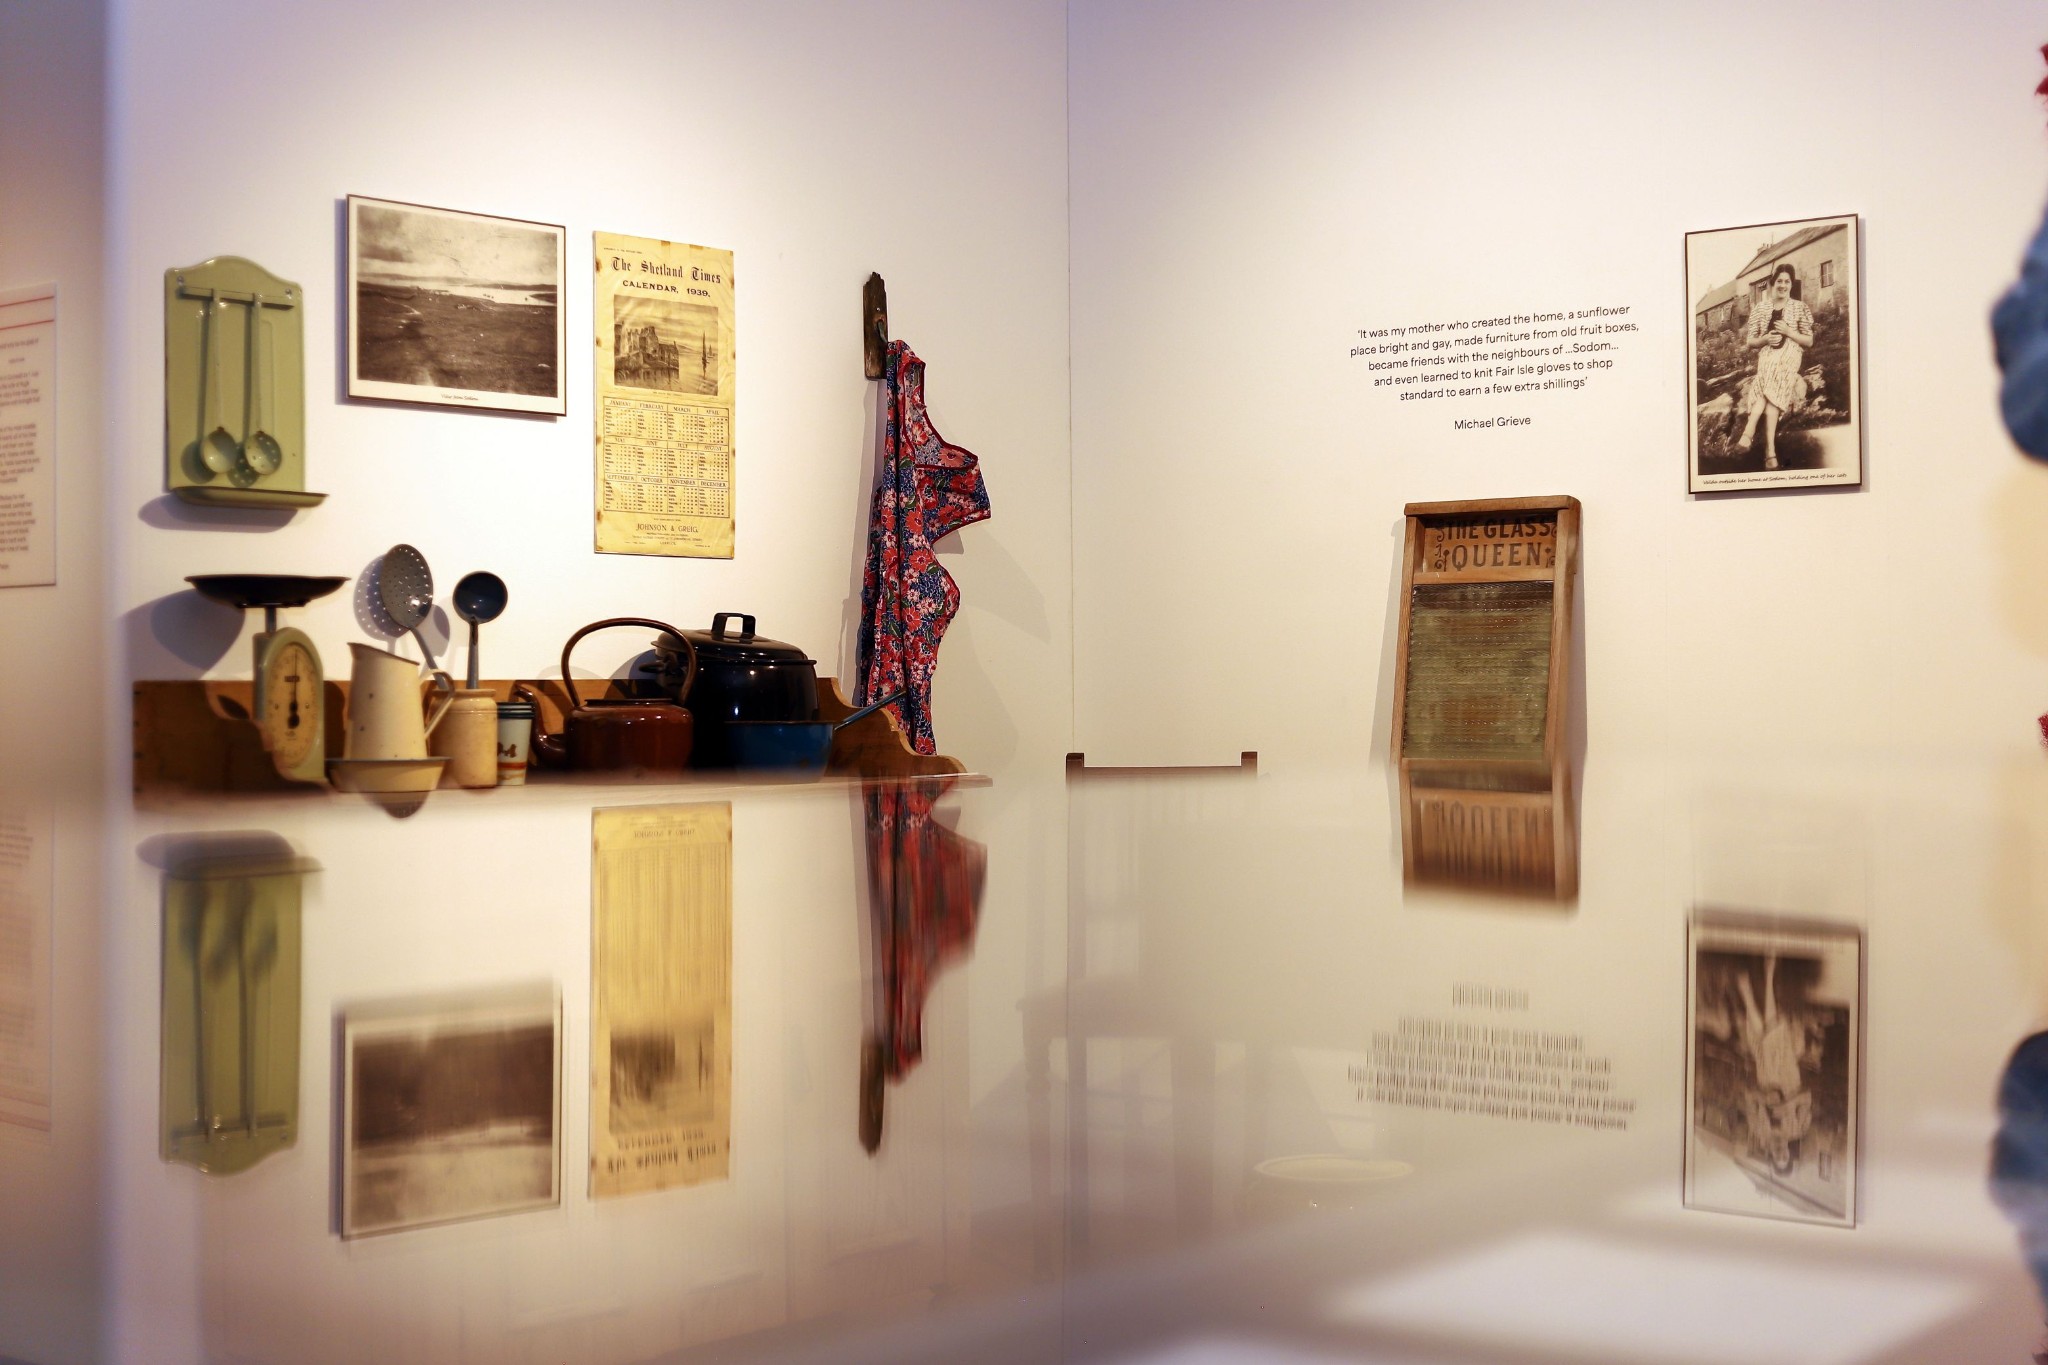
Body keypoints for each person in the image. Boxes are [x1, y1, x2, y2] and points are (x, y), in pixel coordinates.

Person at [1736, 263, 1816, 470]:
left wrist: (1789, 332)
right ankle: (1770, 452)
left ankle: (1749, 430)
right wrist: (1764, 340)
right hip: (1768, 353)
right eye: (1779, 281)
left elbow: (1809, 341)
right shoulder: (1760, 309)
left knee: (1773, 370)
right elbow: (1750, 341)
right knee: (1771, 371)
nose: (1783, 285)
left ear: (1791, 284)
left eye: (1787, 281)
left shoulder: (1800, 307)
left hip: (1791, 352)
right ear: (1772, 284)